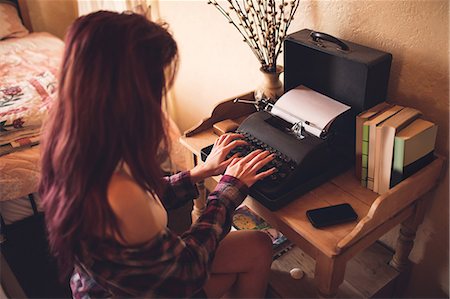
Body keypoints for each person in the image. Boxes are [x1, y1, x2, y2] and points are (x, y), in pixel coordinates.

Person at [39, 11, 278, 298]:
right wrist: (228, 190)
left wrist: (196, 174)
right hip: (154, 287)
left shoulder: (73, 140)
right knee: (257, 251)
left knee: (257, 245)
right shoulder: (117, 192)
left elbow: (141, 198)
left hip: (110, 280)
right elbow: (188, 273)